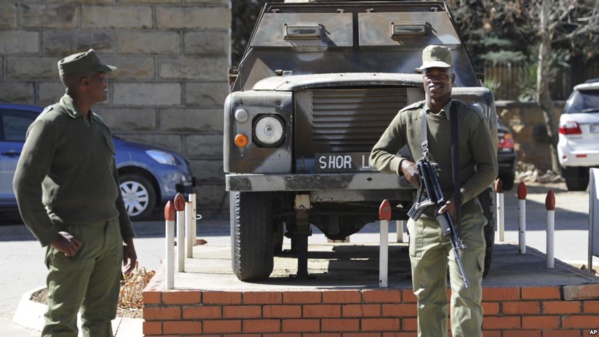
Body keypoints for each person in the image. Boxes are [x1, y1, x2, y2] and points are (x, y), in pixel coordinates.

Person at [370, 45, 497, 337]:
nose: (435, 79)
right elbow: (378, 154)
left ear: (453, 78)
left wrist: (459, 198)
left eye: (442, 74)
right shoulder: (408, 117)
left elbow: (489, 170)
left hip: (463, 220)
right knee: (428, 298)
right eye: (429, 73)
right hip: (425, 222)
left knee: (465, 294)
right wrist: (403, 165)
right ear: (422, 78)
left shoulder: (469, 118)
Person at [13, 49, 137, 337]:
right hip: (74, 238)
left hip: (109, 236)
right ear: (83, 82)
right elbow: (24, 183)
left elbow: (112, 185)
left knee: (101, 318)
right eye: (101, 77)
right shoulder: (50, 124)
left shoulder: (99, 125)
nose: (106, 82)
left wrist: (126, 237)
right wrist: (50, 235)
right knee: (62, 323)